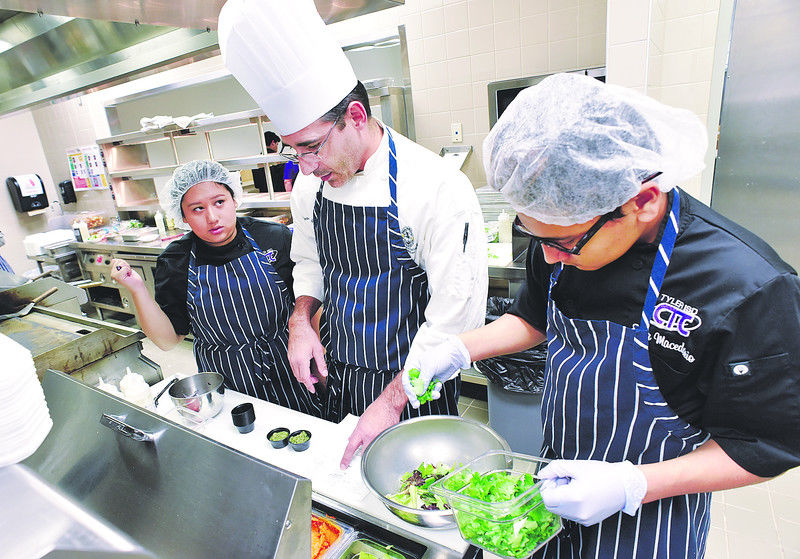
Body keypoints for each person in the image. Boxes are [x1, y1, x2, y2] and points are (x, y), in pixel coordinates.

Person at [403, 73, 800, 558]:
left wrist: (632, 484)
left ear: (643, 201)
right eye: (537, 238)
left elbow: (764, 446)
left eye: (564, 243)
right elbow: (535, 318)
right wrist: (461, 349)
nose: (548, 258)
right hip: (553, 489)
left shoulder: (749, 287)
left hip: (654, 517)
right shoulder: (561, 229)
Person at [218, 0, 487, 467]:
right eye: (292, 150)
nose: (305, 166)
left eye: (312, 147)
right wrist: (300, 321)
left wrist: (393, 399)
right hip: (340, 376)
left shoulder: (435, 187)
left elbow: (454, 319)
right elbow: (310, 262)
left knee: (417, 498)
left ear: (357, 116)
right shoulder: (311, 184)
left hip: (414, 384)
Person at [110, 160, 321, 416]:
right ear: (183, 217)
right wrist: (137, 289)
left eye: (219, 202)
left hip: (291, 368)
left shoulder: (274, 237)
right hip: (227, 381)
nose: (212, 217)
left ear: (235, 200)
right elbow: (168, 340)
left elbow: (310, 305)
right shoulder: (176, 260)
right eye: (197, 209)